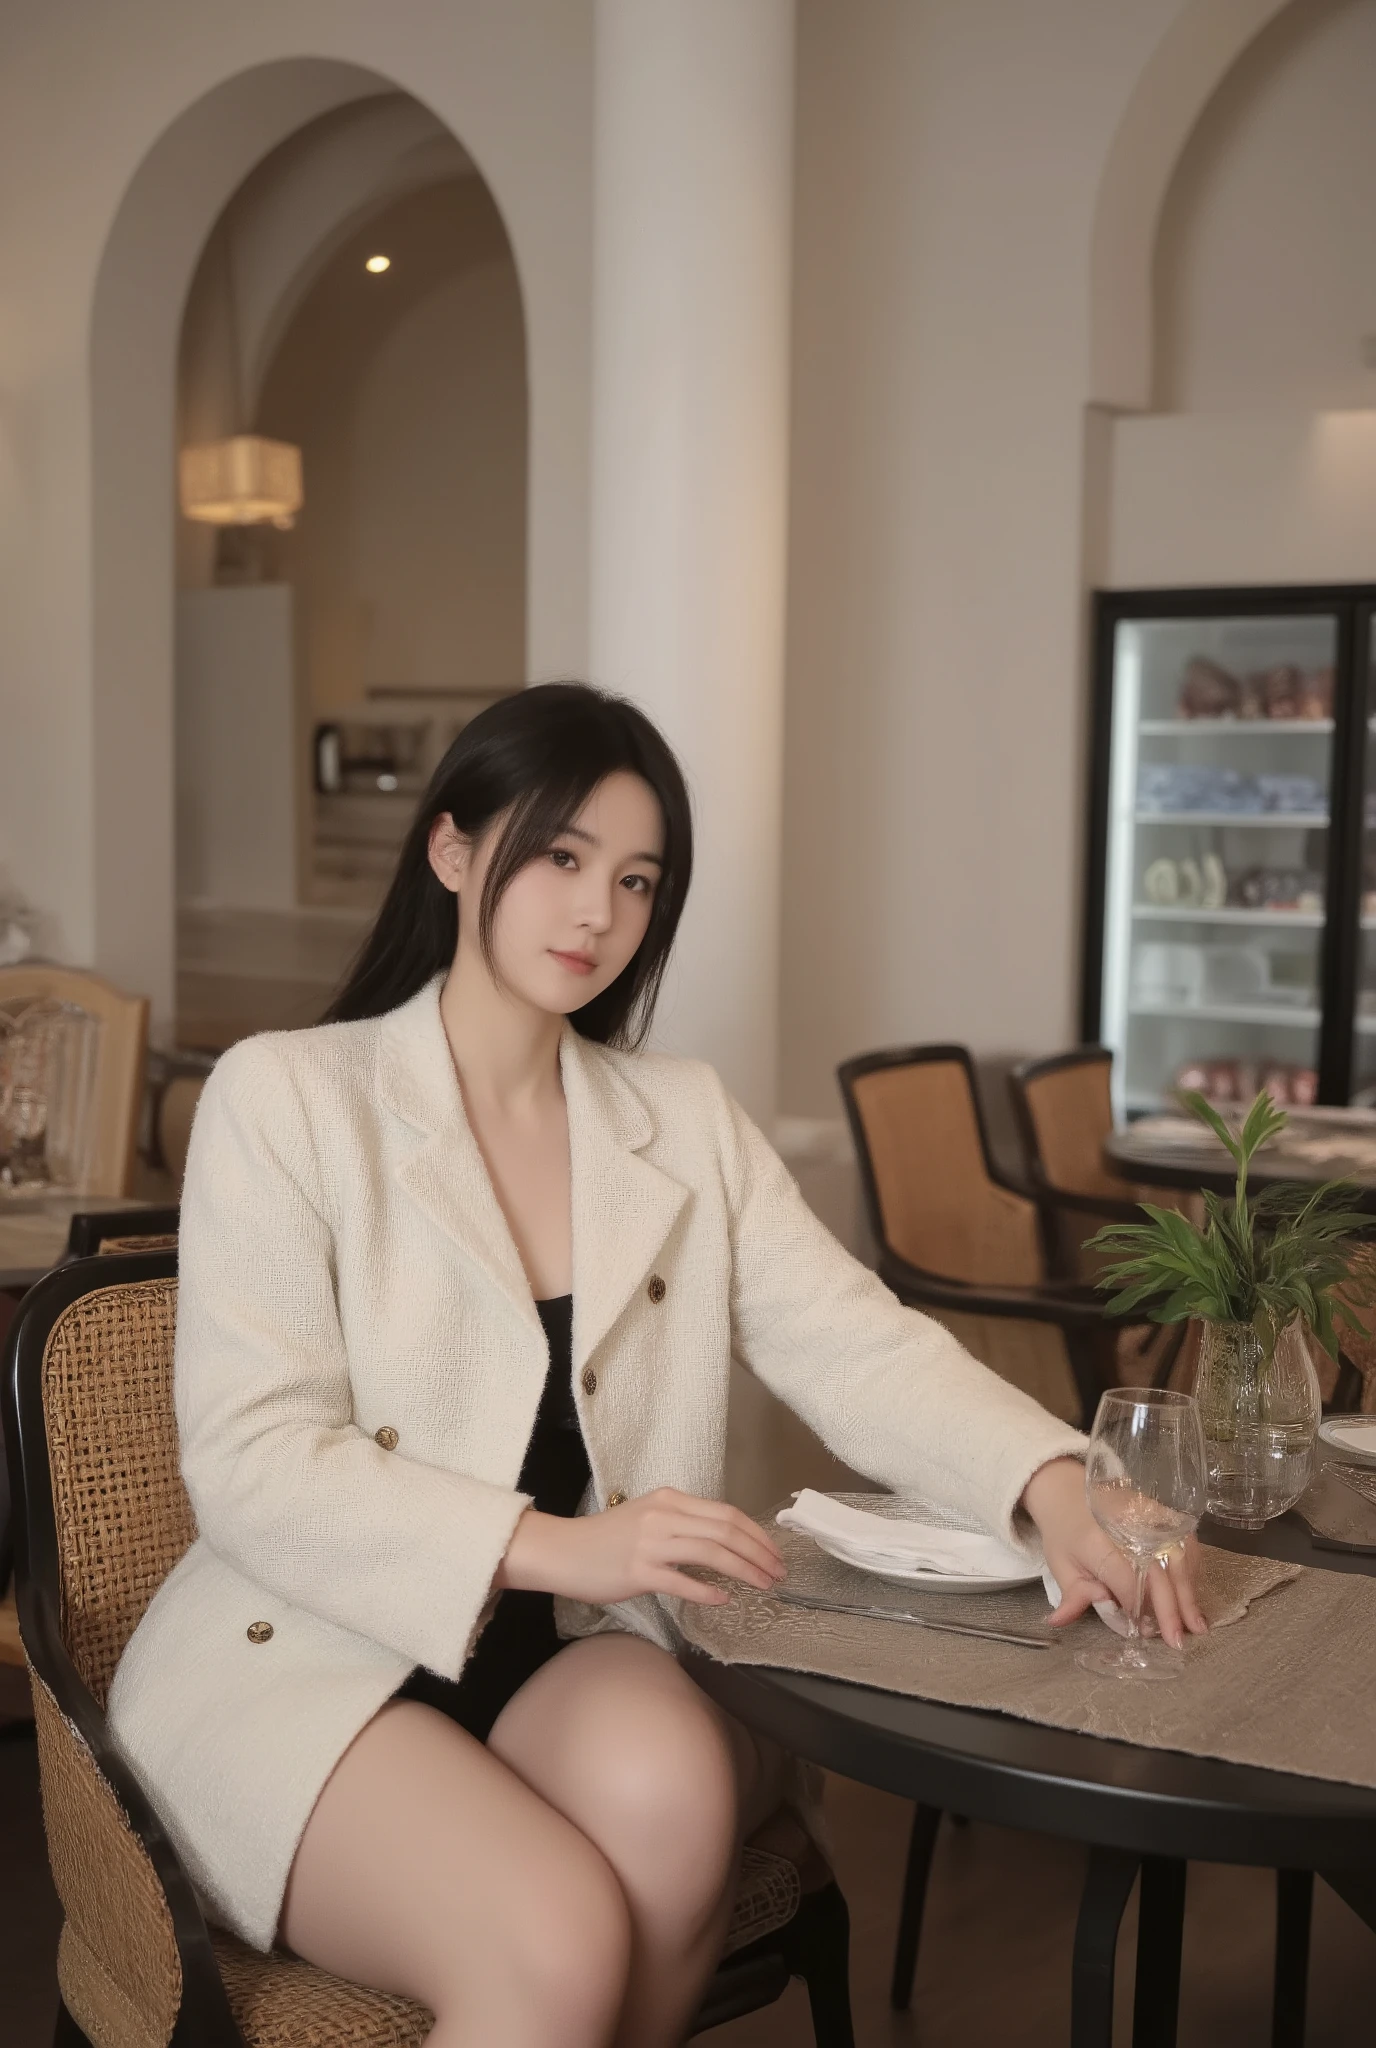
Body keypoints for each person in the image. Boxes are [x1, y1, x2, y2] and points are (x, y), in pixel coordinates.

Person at [107, 683, 1204, 2047]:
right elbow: (252, 1465)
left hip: (571, 1651)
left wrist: (1045, 1479)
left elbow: (850, 1337)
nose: (596, 915)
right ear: (453, 852)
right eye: (559, 859)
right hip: (312, 1652)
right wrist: (576, 1548)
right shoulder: (288, 1096)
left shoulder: (676, 1116)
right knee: (557, 1937)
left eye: (635, 880)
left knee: (680, 1796)